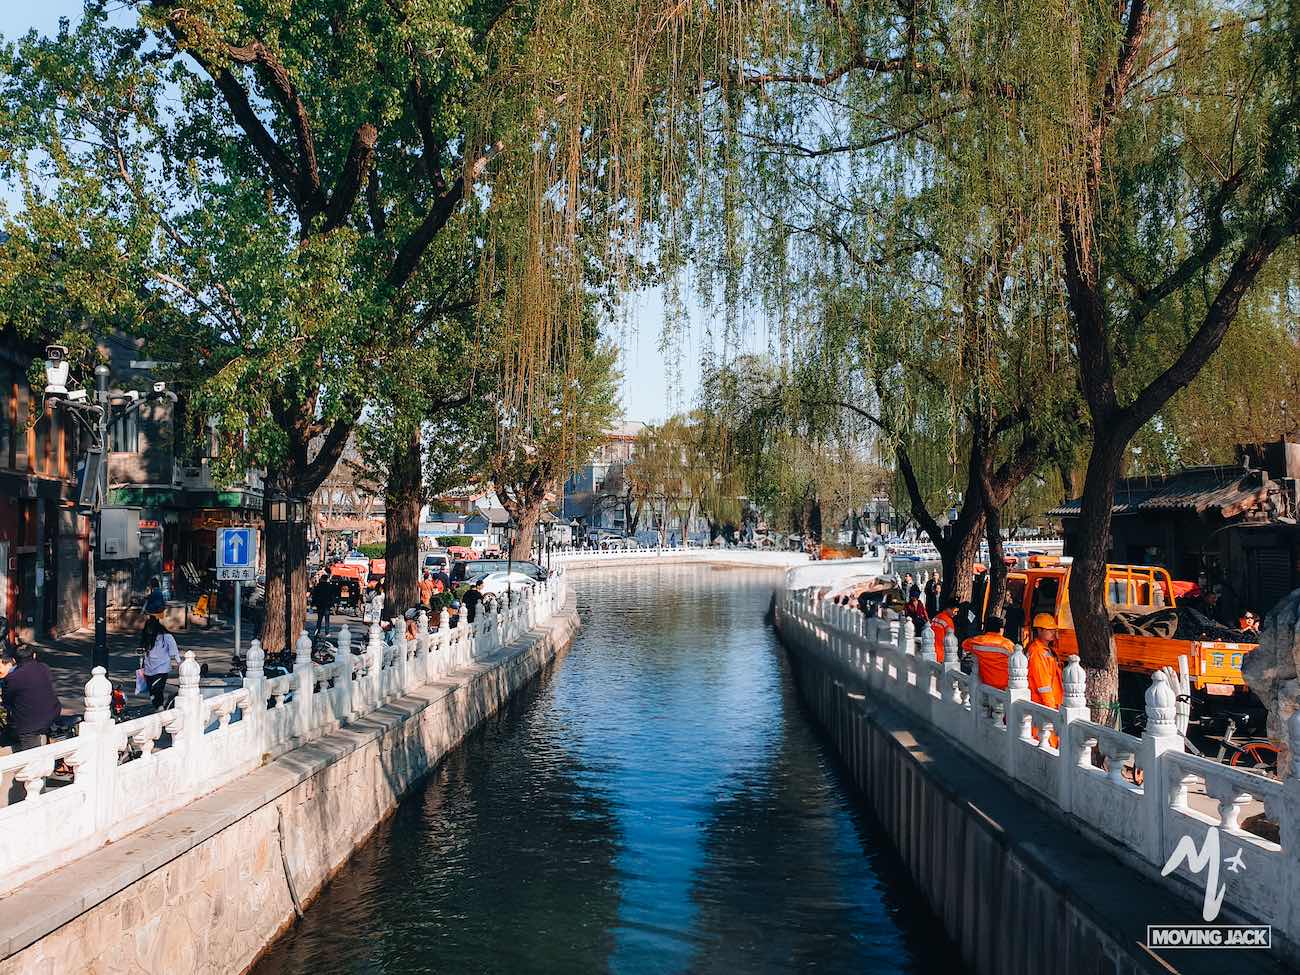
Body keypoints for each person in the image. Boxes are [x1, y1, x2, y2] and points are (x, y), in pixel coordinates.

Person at [0, 648, 61, 751]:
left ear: (14, 661)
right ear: (34, 655)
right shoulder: (44, 668)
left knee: (31, 758)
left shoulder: (13, 677)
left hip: (29, 725)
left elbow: (7, 701)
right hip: (52, 714)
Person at [963, 616, 1015, 690]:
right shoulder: (1007, 644)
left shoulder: (977, 641)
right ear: (1001, 630)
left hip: (986, 684)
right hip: (1005, 685)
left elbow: (964, 644)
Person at [139, 616, 180, 709]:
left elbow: (174, 651)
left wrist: (179, 663)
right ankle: (157, 706)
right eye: (147, 628)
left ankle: (160, 707)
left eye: (150, 628)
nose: (149, 631)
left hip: (162, 668)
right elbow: (143, 653)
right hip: (149, 668)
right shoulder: (147, 638)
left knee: (157, 688)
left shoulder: (166, 637)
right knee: (151, 690)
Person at [1025, 613, 1064, 709]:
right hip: (1043, 705)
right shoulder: (1037, 652)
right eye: (1049, 629)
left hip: (1052, 702)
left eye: (1053, 629)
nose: (1053, 632)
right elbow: (1043, 684)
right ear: (1039, 630)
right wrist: (1051, 708)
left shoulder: (1049, 650)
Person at [930, 596, 959, 664]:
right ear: (948, 609)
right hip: (941, 655)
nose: (956, 614)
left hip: (931, 652)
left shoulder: (936, 617)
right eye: (955, 611)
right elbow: (951, 642)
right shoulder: (948, 621)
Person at [311, 571, 339, 639]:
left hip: (320, 604)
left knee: (319, 619)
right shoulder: (329, 586)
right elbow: (332, 596)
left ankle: (317, 631)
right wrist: (332, 604)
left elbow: (314, 595)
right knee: (327, 619)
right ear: (326, 579)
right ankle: (327, 632)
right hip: (327, 604)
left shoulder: (318, 586)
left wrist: (313, 604)